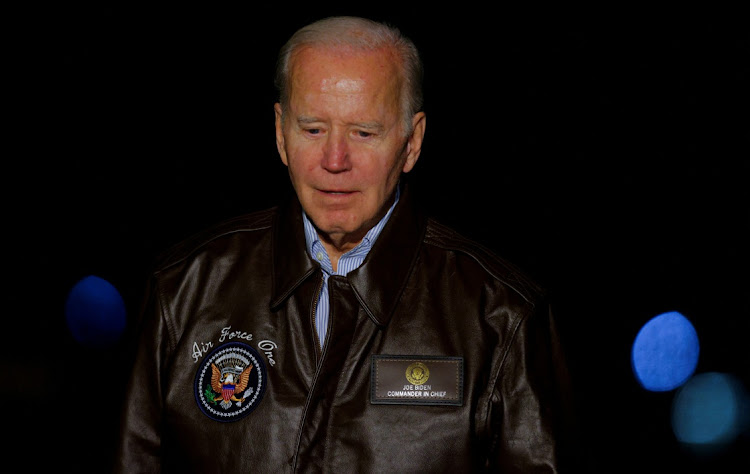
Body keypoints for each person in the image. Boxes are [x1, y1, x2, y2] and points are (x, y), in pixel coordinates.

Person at [114, 15, 581, 473]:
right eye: (313, 129)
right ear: (281, 133)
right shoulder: (183, 289)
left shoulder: (502, 317)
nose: (334, 161)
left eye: (363, 132)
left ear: (412, 141)